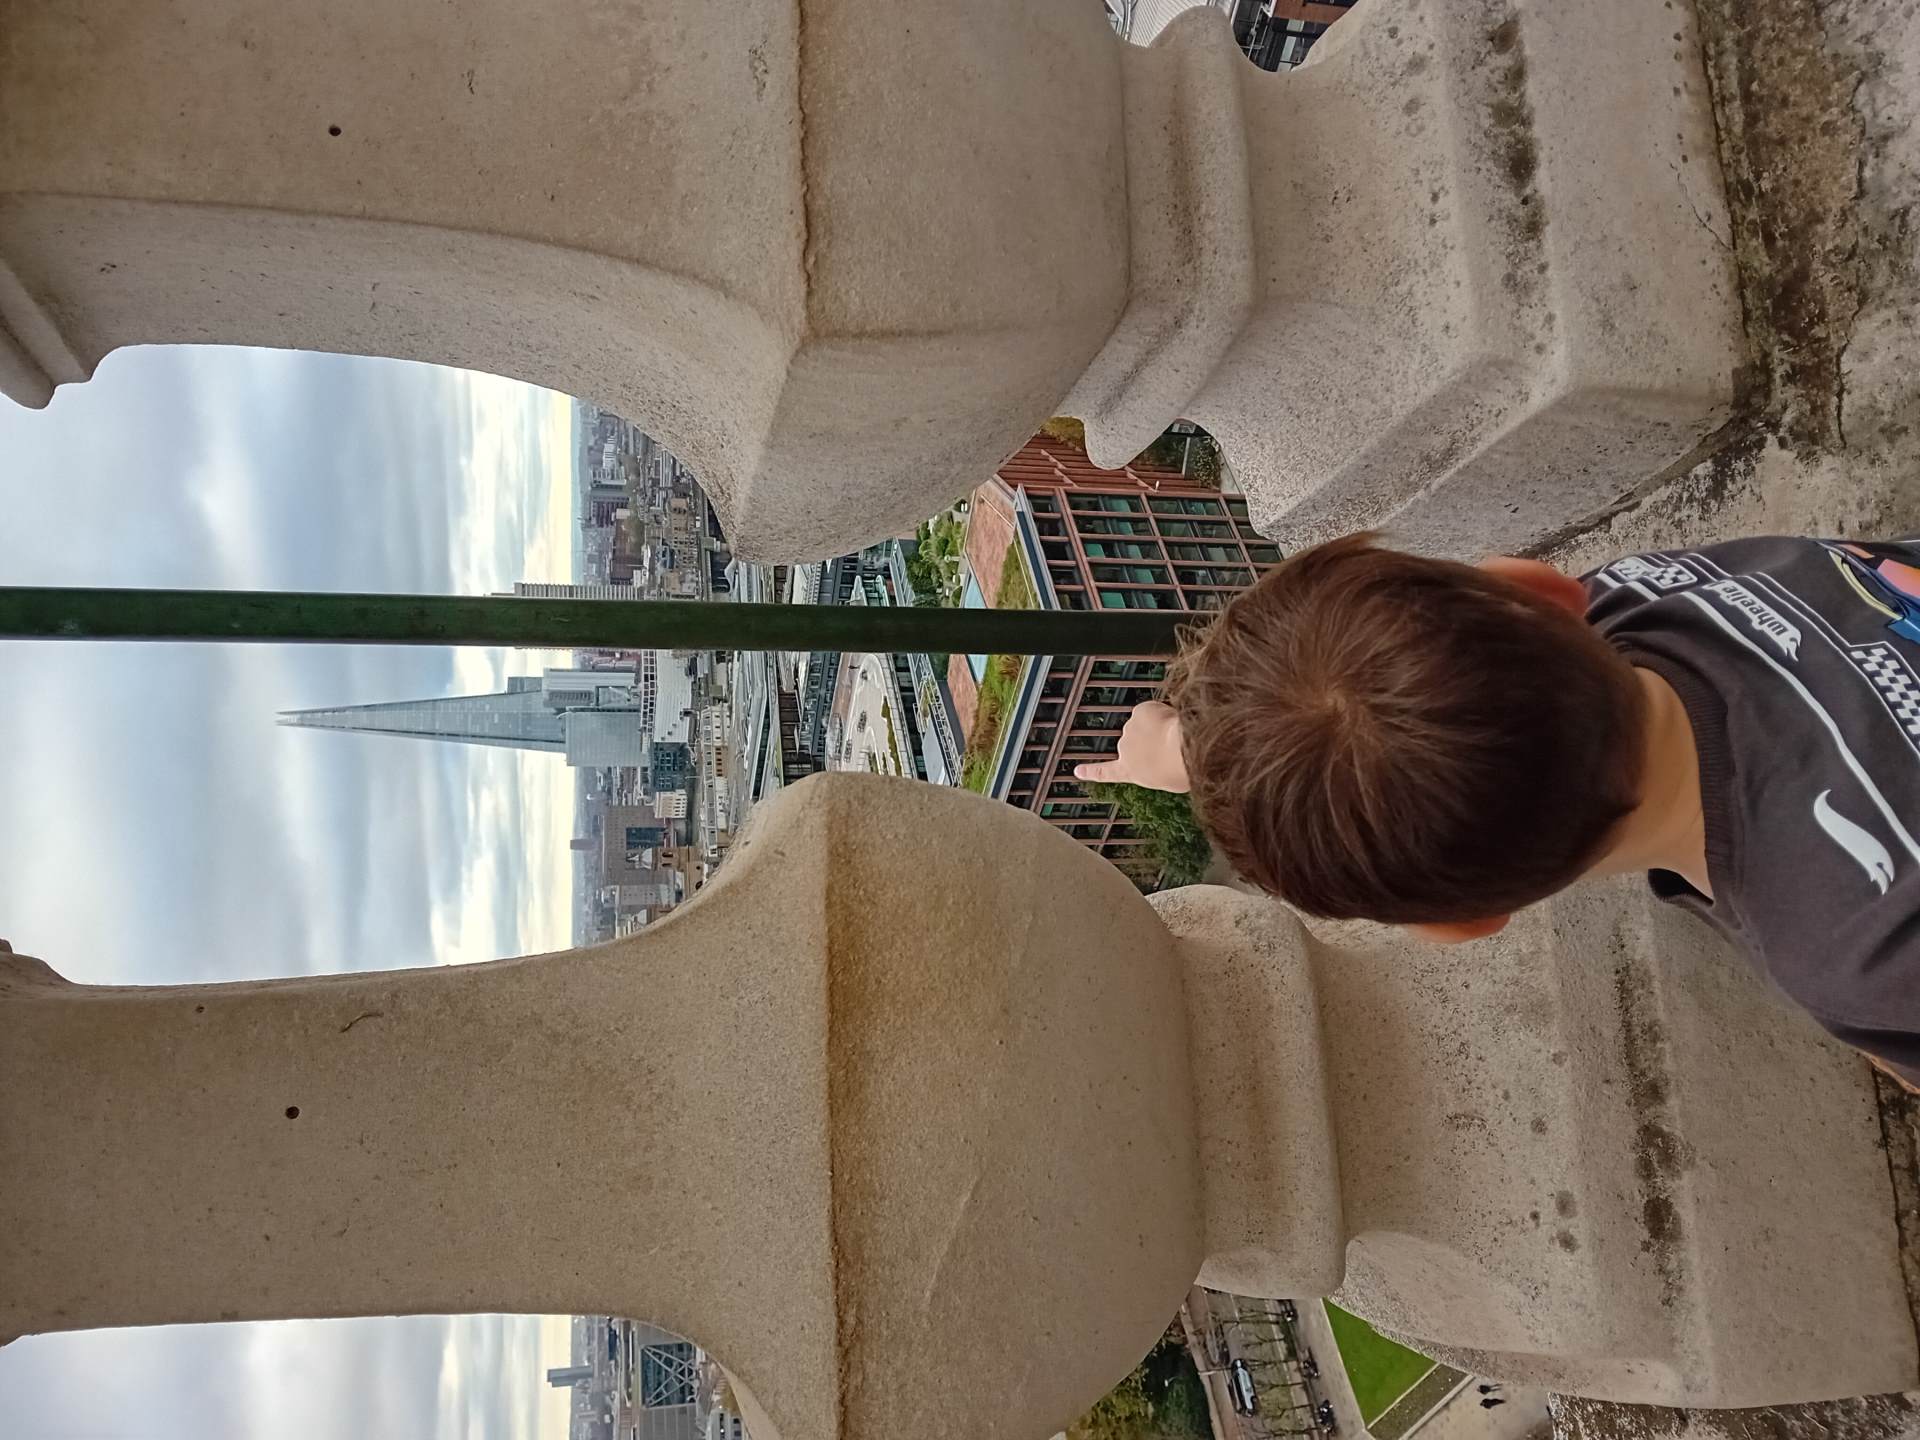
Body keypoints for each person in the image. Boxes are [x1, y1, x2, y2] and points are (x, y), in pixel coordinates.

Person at [1074, 532, 1920, 1087]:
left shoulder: (1856, 952)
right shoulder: (1656, 593)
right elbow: (1348, 705)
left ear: (1464, 924)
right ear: (1540, 587)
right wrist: (1187, 745)